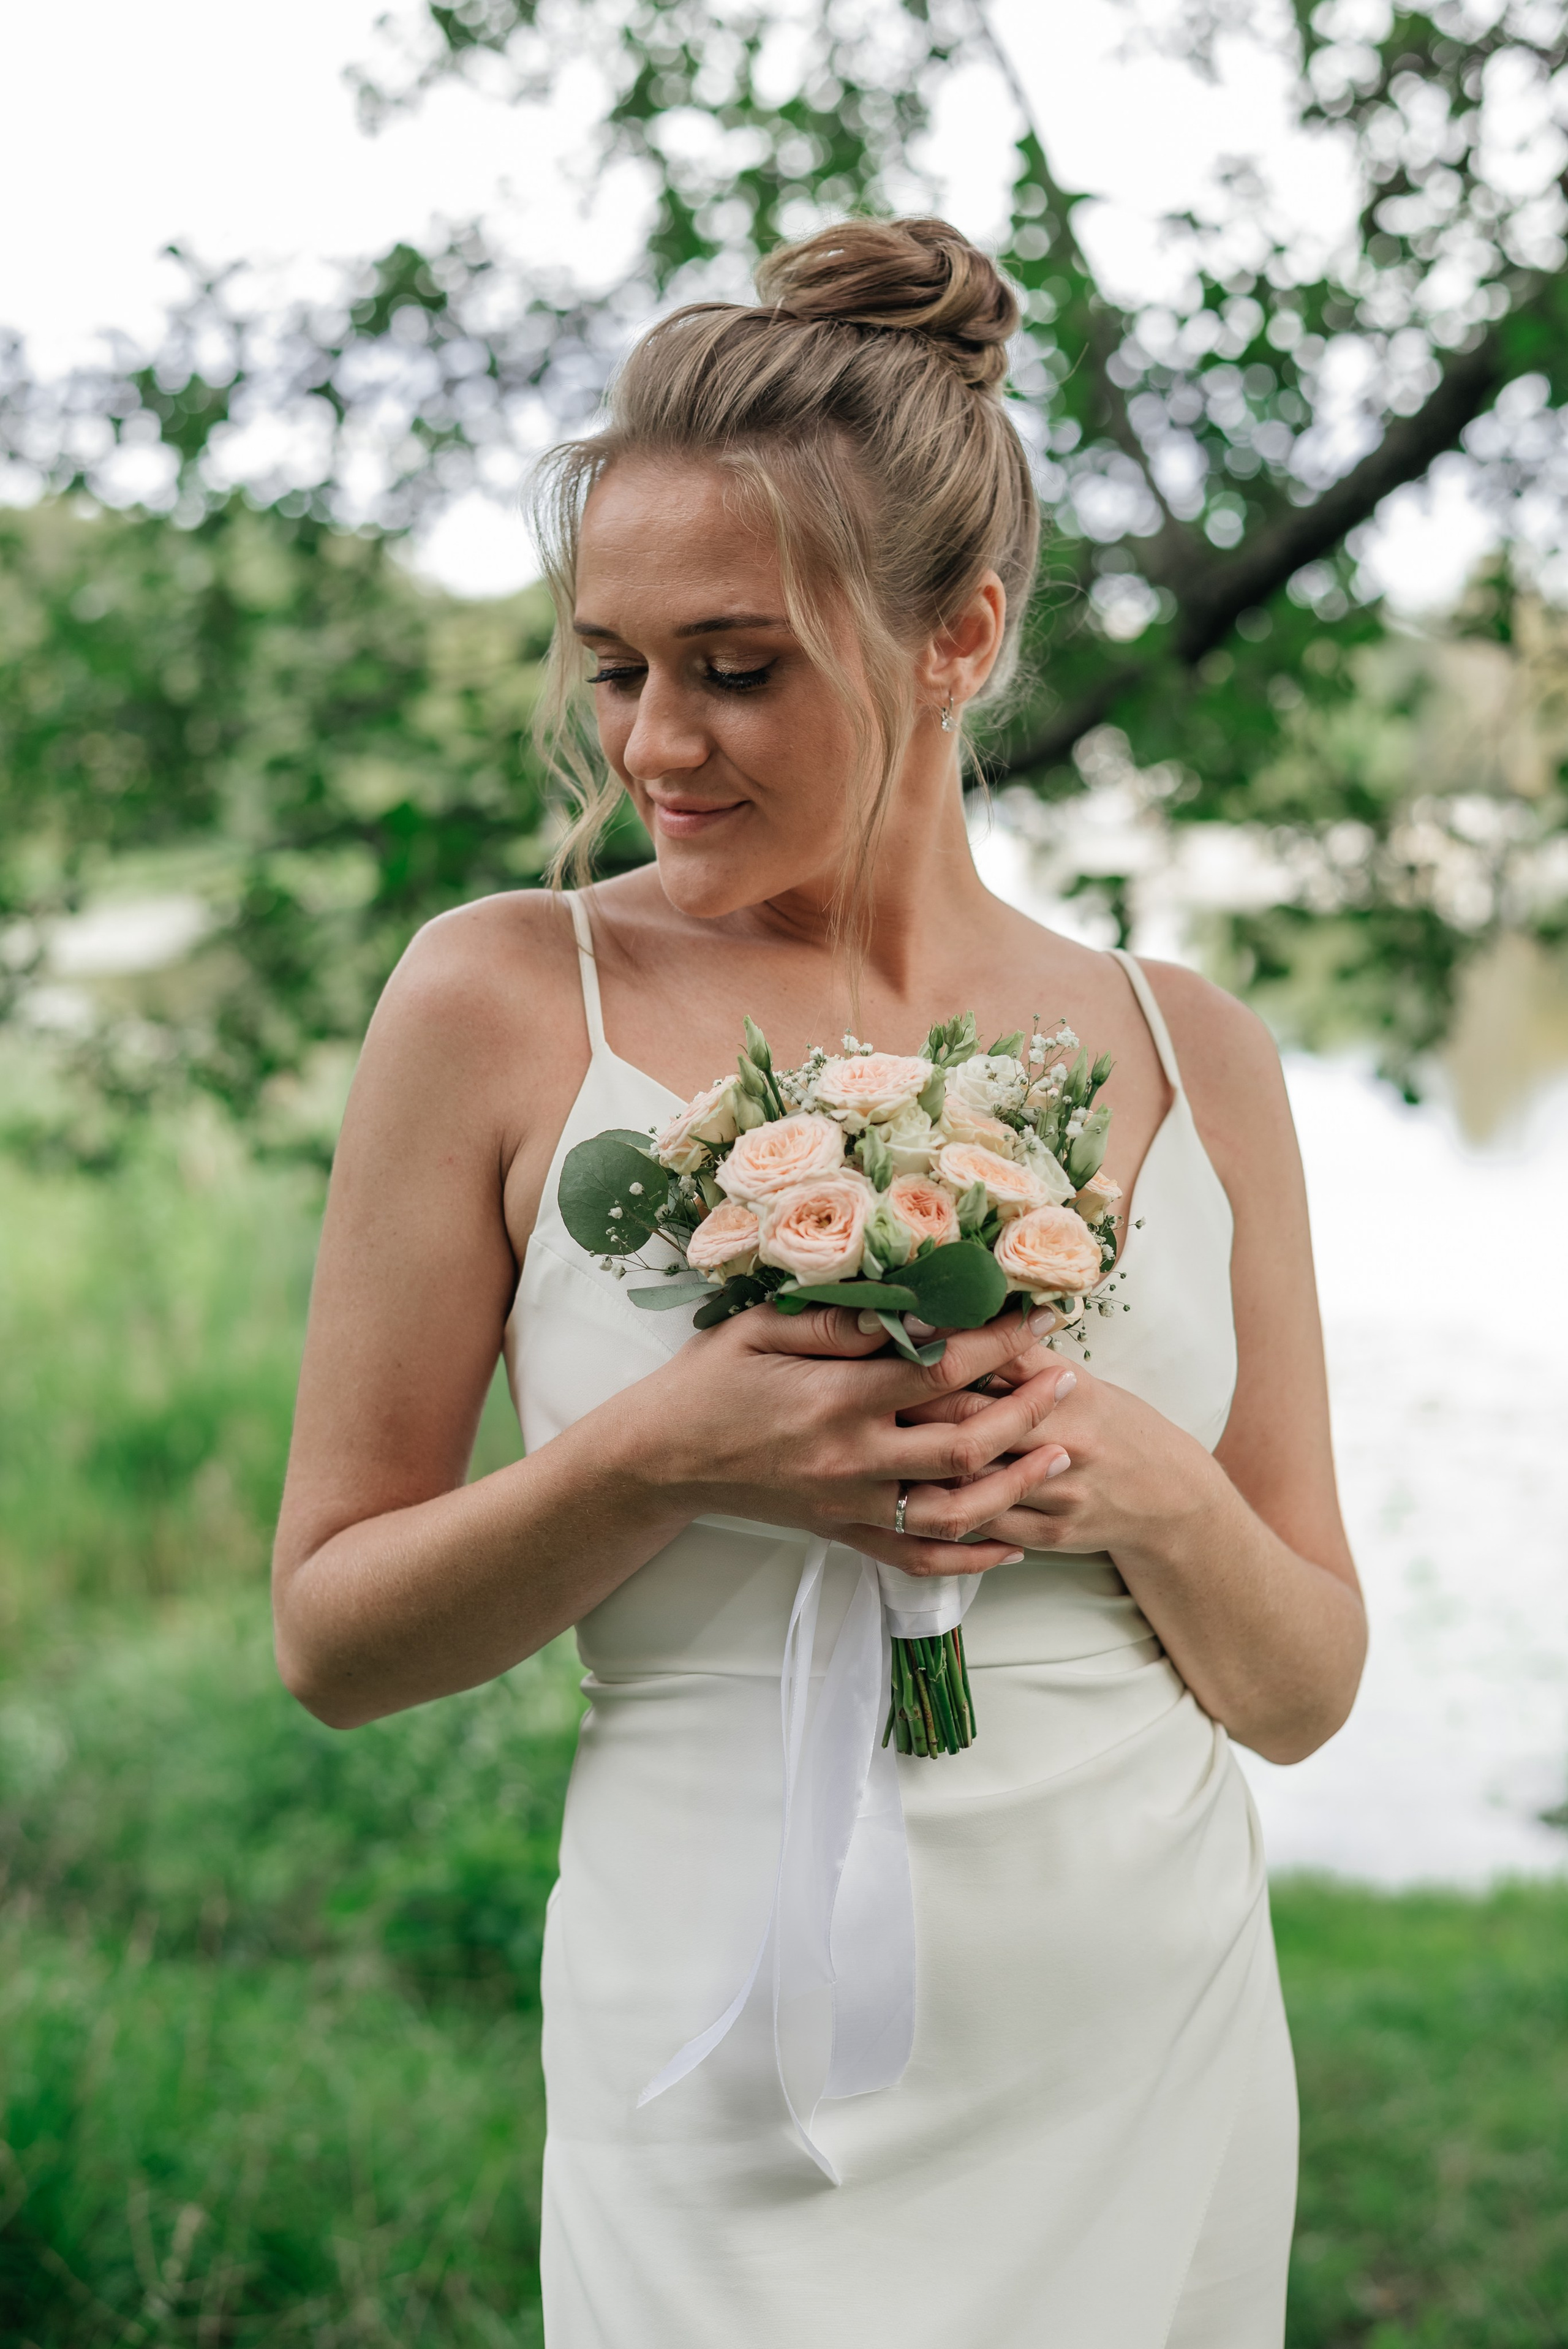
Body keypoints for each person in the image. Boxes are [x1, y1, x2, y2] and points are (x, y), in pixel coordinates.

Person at [272, 215, 1366, 2347]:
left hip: (1144, 2037)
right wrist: (655, 1458)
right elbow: (332, 1635)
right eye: (617, 664)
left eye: (736, 665)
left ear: (960, 634)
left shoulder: (1194, 1049)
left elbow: (1306, 1687)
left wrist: (1142, 1483)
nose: (654, 743)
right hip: (723, 2065)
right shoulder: (500, 1000)